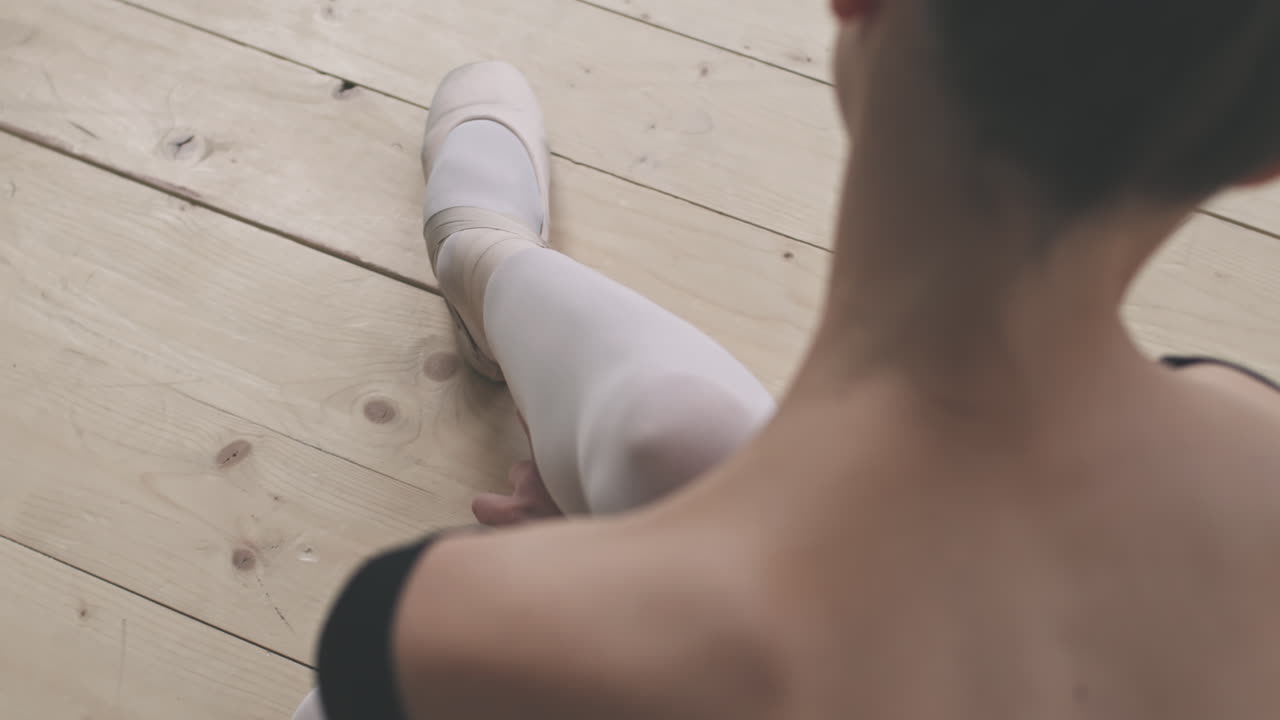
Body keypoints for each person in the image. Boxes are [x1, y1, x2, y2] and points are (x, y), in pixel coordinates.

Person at [295, 0, 1280, 717]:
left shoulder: (448, 631)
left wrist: (556, 605)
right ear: (1262, 154)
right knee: (671, 440)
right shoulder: (1256, 449)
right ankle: (485, 262)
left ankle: (484, 255)